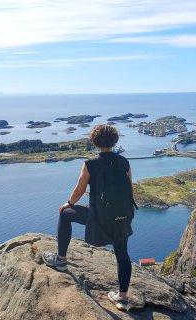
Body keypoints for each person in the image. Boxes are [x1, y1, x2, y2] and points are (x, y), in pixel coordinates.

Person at [42, 124, 136, 311]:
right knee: (122, 252)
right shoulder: (124, 162)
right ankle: (122, 298)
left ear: (94, 141)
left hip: (99, 218)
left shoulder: (90, 164)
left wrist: (69, 203)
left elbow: (79, 190)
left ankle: (60, 259)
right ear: (114, 140)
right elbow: (129, 189)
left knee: (65, 214)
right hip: (122, 215)